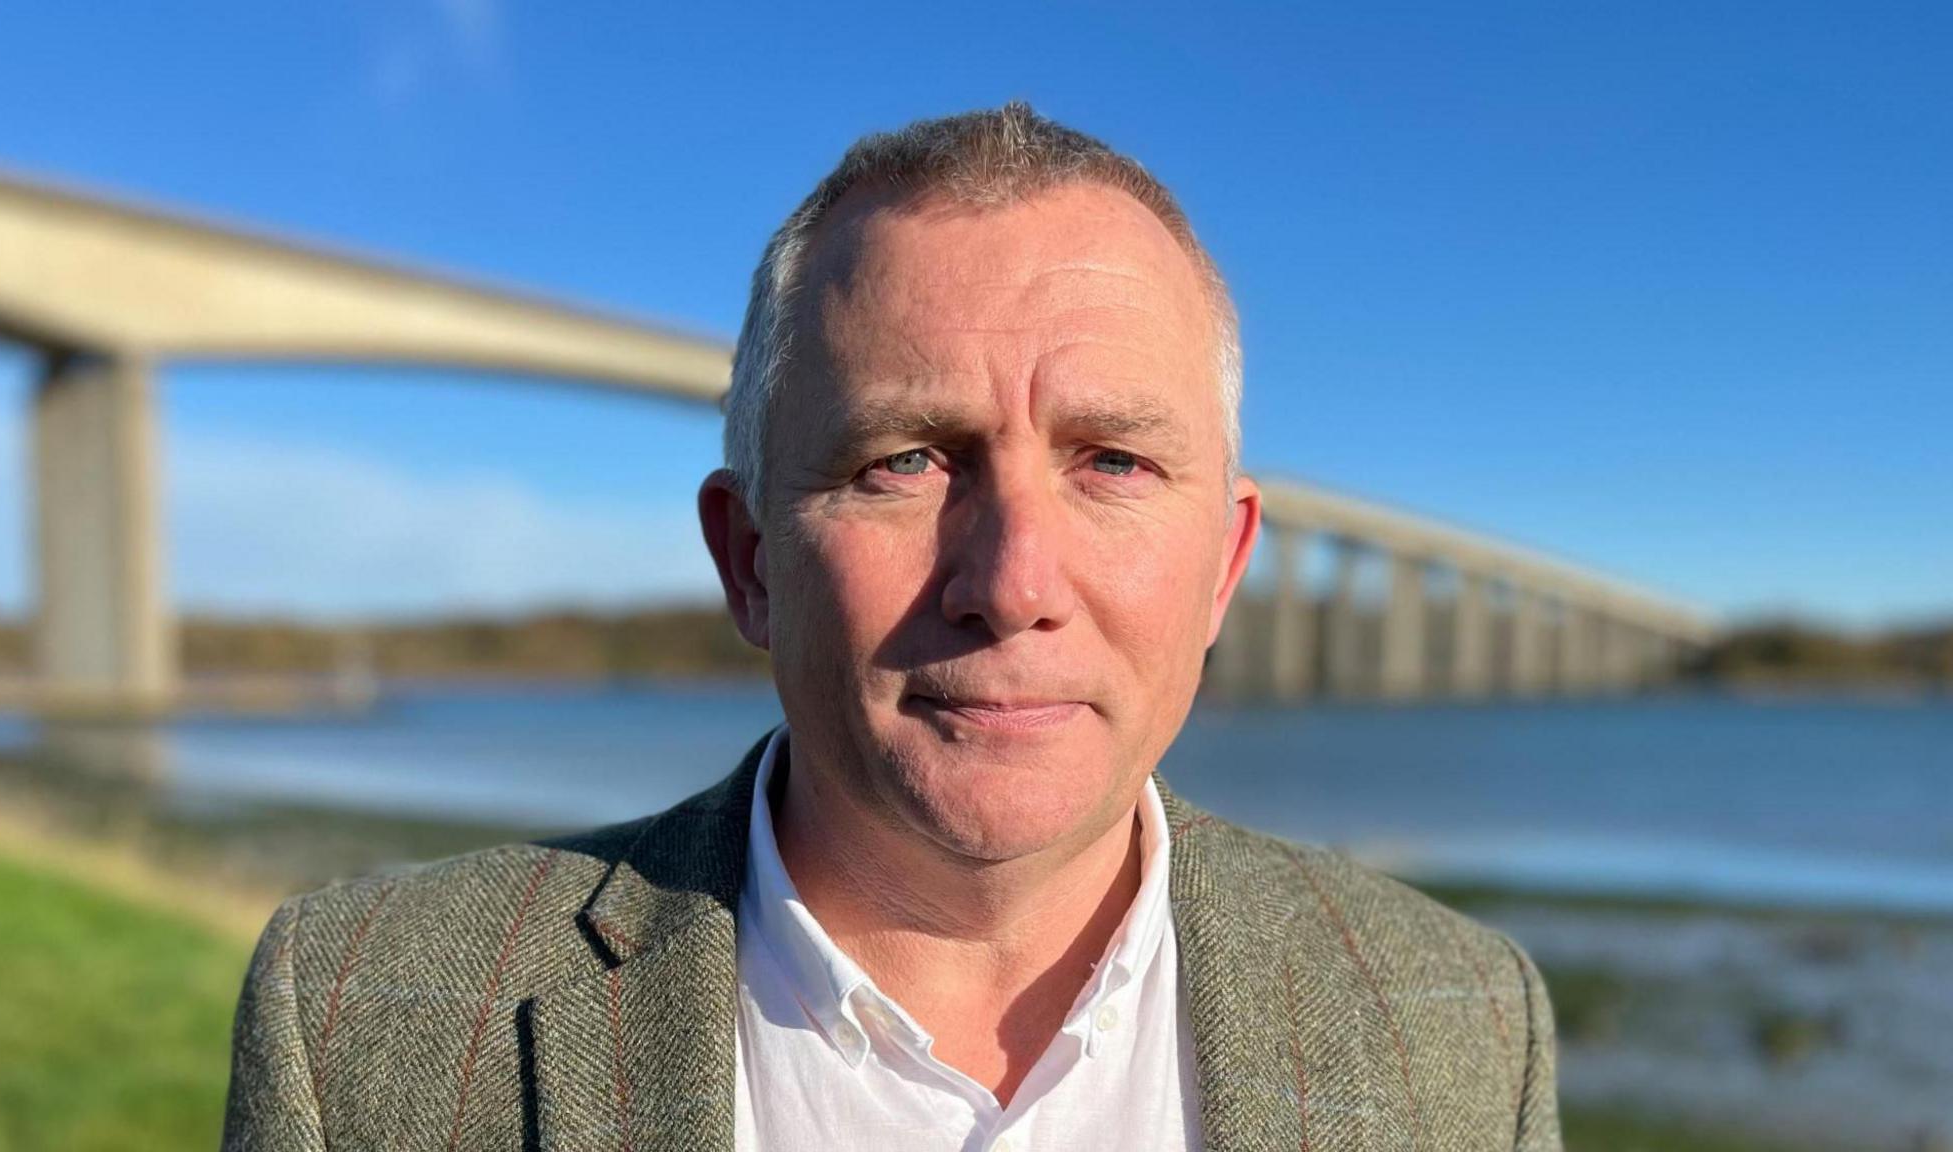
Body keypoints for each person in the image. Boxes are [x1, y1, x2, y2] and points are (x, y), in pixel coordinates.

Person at [224, 102, 1561, 1152]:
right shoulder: (361, 1017)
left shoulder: (1459, 1023)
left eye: (1112, 462)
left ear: (1225, 565)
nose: (1013, 578)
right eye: (906, 462)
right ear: (749, 560)